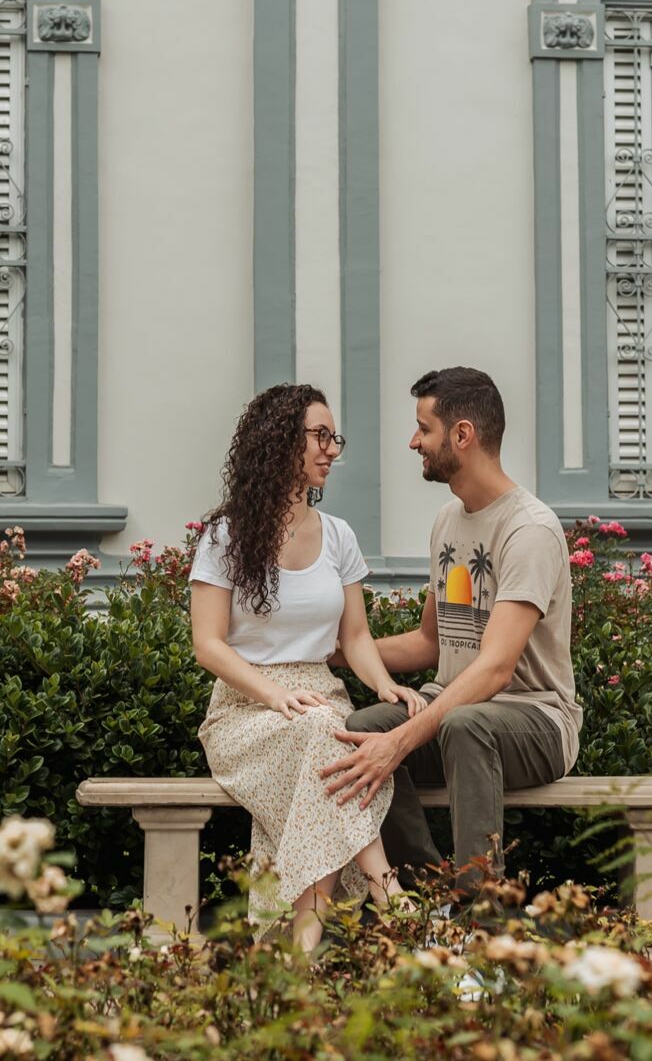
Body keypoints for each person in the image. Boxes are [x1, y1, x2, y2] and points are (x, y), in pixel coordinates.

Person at [320, 366, 579, 894]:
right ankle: (424, 897)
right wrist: (333, 653)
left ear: (463, 435)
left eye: (424, 428)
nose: (413, 441)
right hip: (457, 711)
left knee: (465, 726)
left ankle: (479, 915)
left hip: (536, 719)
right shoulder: (447, 521)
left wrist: (403, 742)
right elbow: (430, 643)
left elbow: (496, 668)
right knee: (362, 724)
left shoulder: (528, 529)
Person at [189, 383, 424, 948]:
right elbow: (208, 645)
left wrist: (386, 685)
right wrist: (274, 695)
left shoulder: (338, 535)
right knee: (327, 737)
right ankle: (386, 889)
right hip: (246, 711)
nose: (332, 449)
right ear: (279, 442)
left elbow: (357, 636)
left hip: (321, 701)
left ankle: (303, 952)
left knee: (325, 739)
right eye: (320, 435)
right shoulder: (224, 536)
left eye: (333, 437)